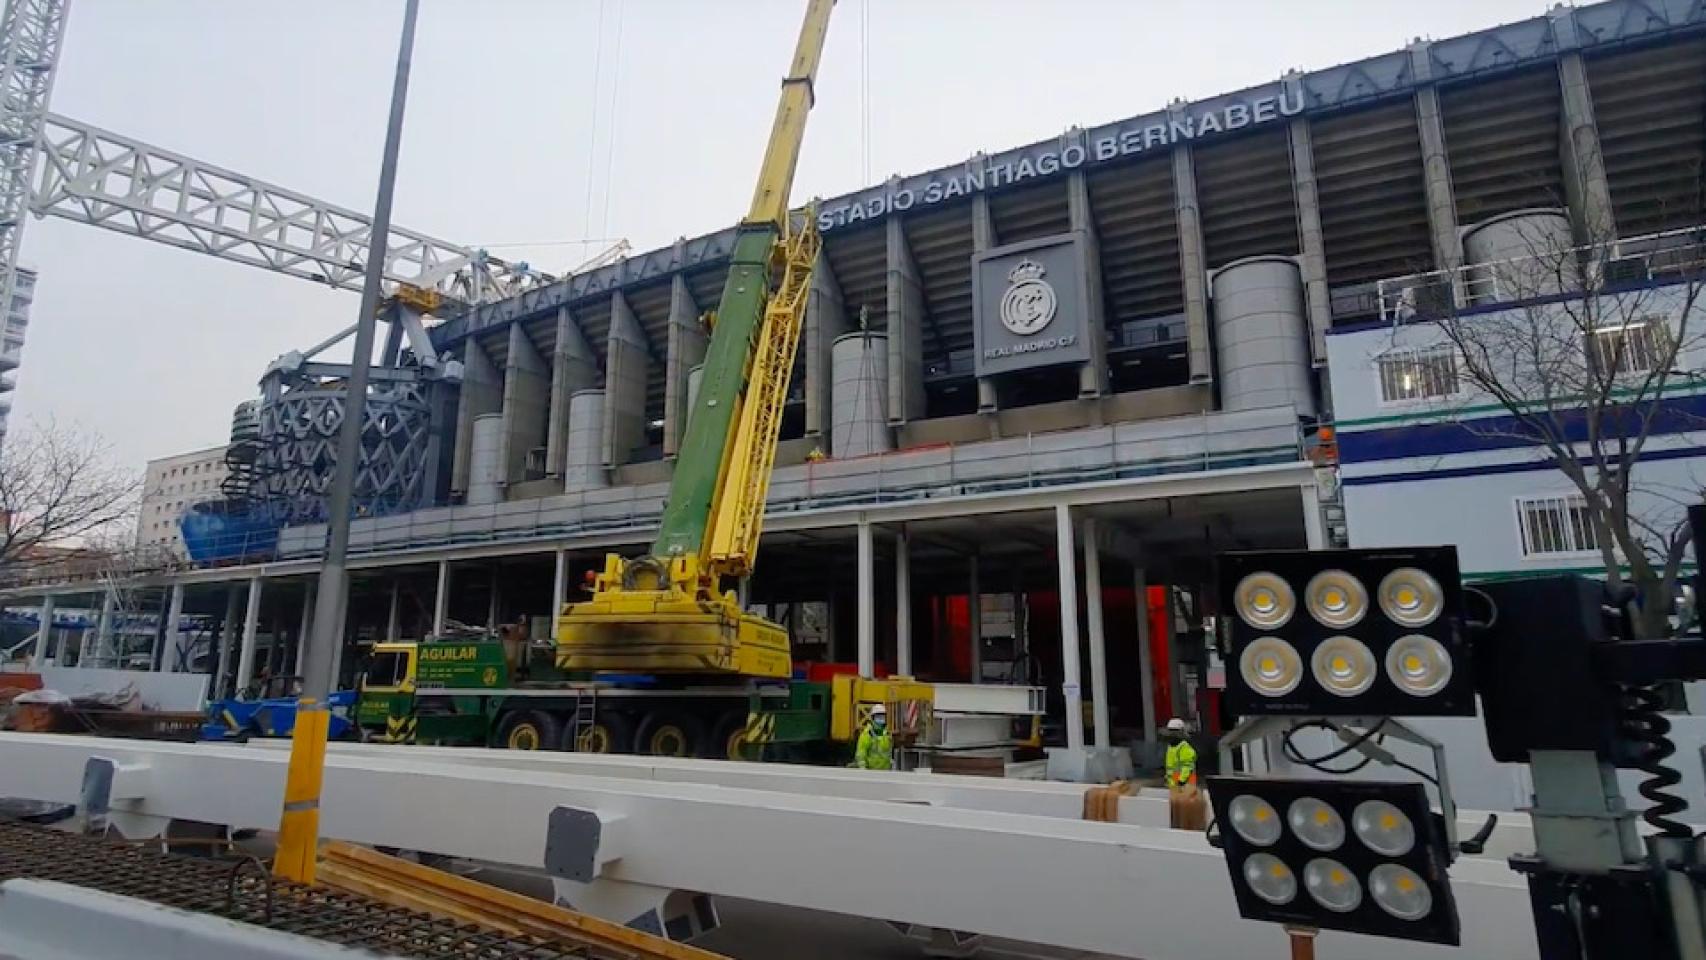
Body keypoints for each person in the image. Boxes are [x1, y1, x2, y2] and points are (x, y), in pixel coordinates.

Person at [854, 703, 893, 770]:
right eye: (878, 717)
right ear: (872, 718)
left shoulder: (887, 733)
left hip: (886, 772)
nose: (881, 719)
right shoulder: (867, 734)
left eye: (882, 717)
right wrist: (863, 769)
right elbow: (861, 753)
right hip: (871, 772)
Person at [1163, 717, 1197, 789]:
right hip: (1174, 784)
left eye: (1174, 731)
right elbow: (1171, 767)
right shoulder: (1171, 746)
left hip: (1185, 785)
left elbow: (1187, 766)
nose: (1171, 734)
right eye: (1170, 731)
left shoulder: (1184, 747)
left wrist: (1181, 781)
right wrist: (1167, 777)